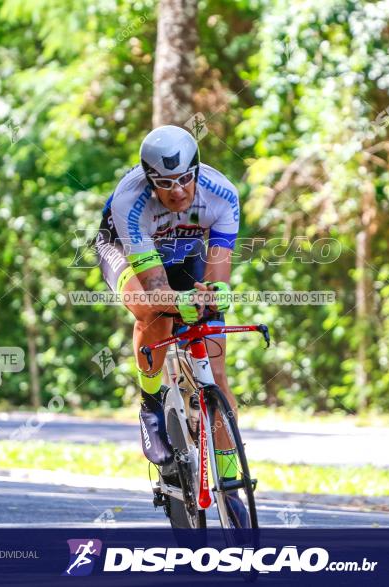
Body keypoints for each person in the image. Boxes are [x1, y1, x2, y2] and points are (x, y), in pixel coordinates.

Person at [95, 125, 248, 528]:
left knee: (216, 373)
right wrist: (179, 302)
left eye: (184, 179)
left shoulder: (223, 194)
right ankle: (150, 404)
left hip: (186, 249)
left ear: (197, 170)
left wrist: (215, 295)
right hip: (126, 249)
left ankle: (230, 483)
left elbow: (217, 277)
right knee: (154, 311)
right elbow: (158, 289)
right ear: (149, 180)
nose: (177, 191)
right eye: (164, 183)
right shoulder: (131, 202)